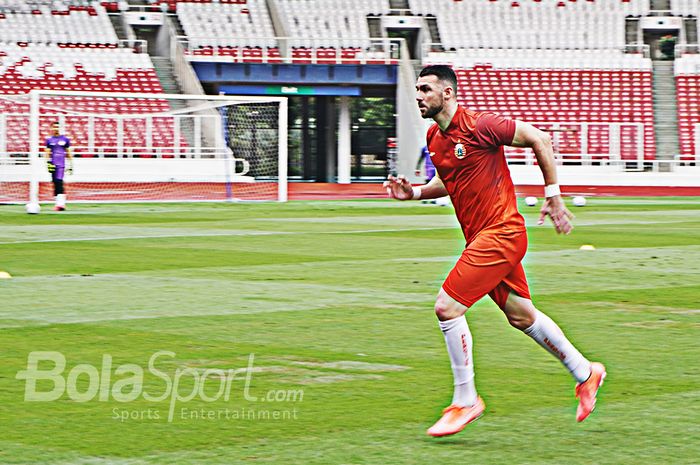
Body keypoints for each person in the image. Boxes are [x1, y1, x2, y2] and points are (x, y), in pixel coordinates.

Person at [383, 65, 606, 437]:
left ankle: (465, 400)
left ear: (448, 93)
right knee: (521, 316)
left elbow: (540, 138)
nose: (418, 96)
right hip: (481, 238)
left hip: (501, 232)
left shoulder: (481, 125)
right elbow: (448, 179)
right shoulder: (435, 138)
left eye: (425, 89)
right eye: (417, 90)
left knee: (446, 307)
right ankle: (586, 373)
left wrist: (553, 196)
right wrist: (417, 193)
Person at [44, 122, 73, 211]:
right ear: (51, 129)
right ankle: (57, 203)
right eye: (54, 127)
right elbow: (47, 153)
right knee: (54, 183)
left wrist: (71, 164)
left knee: (59, 181)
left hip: (61, 164)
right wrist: (48, 163)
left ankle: (61, 204)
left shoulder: (65, 139)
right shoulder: (49, 140)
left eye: (57, 127)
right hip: (53, 164)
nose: (56, 129)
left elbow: (68, 152)